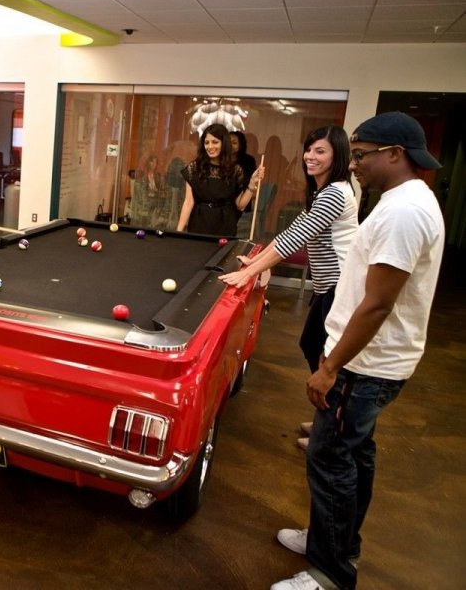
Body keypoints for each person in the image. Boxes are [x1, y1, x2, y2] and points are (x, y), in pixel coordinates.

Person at [271, 112, 445, 590]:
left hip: (365, 366)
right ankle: (334, 543)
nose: (354, 164)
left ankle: (329, 573)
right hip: (373, 362)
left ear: (396, 154)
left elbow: (377, 304)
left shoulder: (404, 212)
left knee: (330, 459)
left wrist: (330, 366)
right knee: (353, 456)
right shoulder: (405, 202)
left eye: (362, 154)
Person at [221, 126, 357, 370]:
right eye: (308, 150)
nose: (310, 156)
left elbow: (294, 240)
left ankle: (332, 391)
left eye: (320, 151)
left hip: (338, 285)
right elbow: (292, 231)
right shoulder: (323, 191)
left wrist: (248, 273)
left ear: (337, 155)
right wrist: (255, 261)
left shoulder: (335, 193)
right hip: (328, 286)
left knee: (324, 352)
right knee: (311, 344)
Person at [177, 123, 264, 237]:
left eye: (215, 142)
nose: (210, 146)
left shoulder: (235, 170)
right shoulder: (194, 168)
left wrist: (252, 184)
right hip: (199, 224)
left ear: (224, 144)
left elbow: (240, 205)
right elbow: (188, 202)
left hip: (225, 227)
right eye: (206, 142)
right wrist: (178, 232)